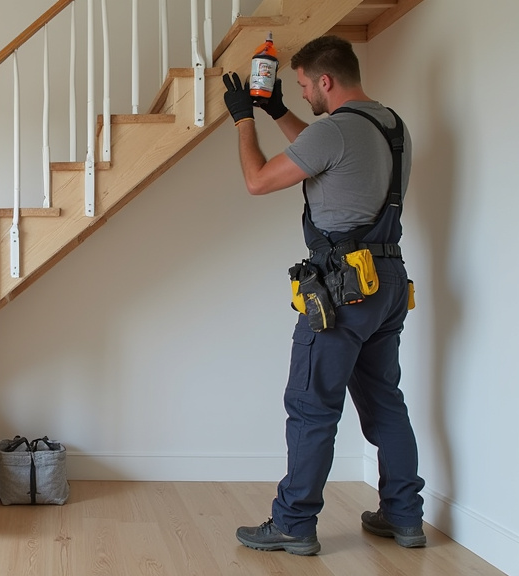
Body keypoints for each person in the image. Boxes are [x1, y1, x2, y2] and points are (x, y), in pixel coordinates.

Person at [221, 35, 426, 556]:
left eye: (307, 85)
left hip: (343, 288)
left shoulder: (334, 131)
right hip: (388, 281)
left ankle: (293, 522)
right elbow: (321, 149)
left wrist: (244, 119)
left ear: (326, 80)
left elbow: (259, 180)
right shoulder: (389, 124)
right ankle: (405, 518)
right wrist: (280, 111)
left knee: (312, 406)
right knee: (386, 402)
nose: (306, 93)